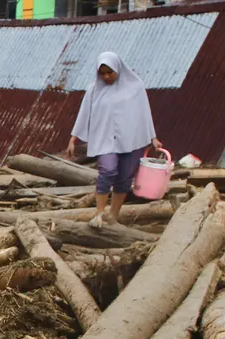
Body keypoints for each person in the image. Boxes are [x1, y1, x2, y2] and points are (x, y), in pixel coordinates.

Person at [66, 51, 163, 227]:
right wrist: (74, 138)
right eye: (102, 73)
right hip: (105, 138)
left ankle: (114, 215)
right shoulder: (94, 90)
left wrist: (152, 137)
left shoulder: (135, 87)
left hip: (131, 139)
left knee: (125, 177)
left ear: (118, 69)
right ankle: (99, 213)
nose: (106, 76)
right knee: (108, 171)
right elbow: (84, 114)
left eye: (110, 72)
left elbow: (144, 113)